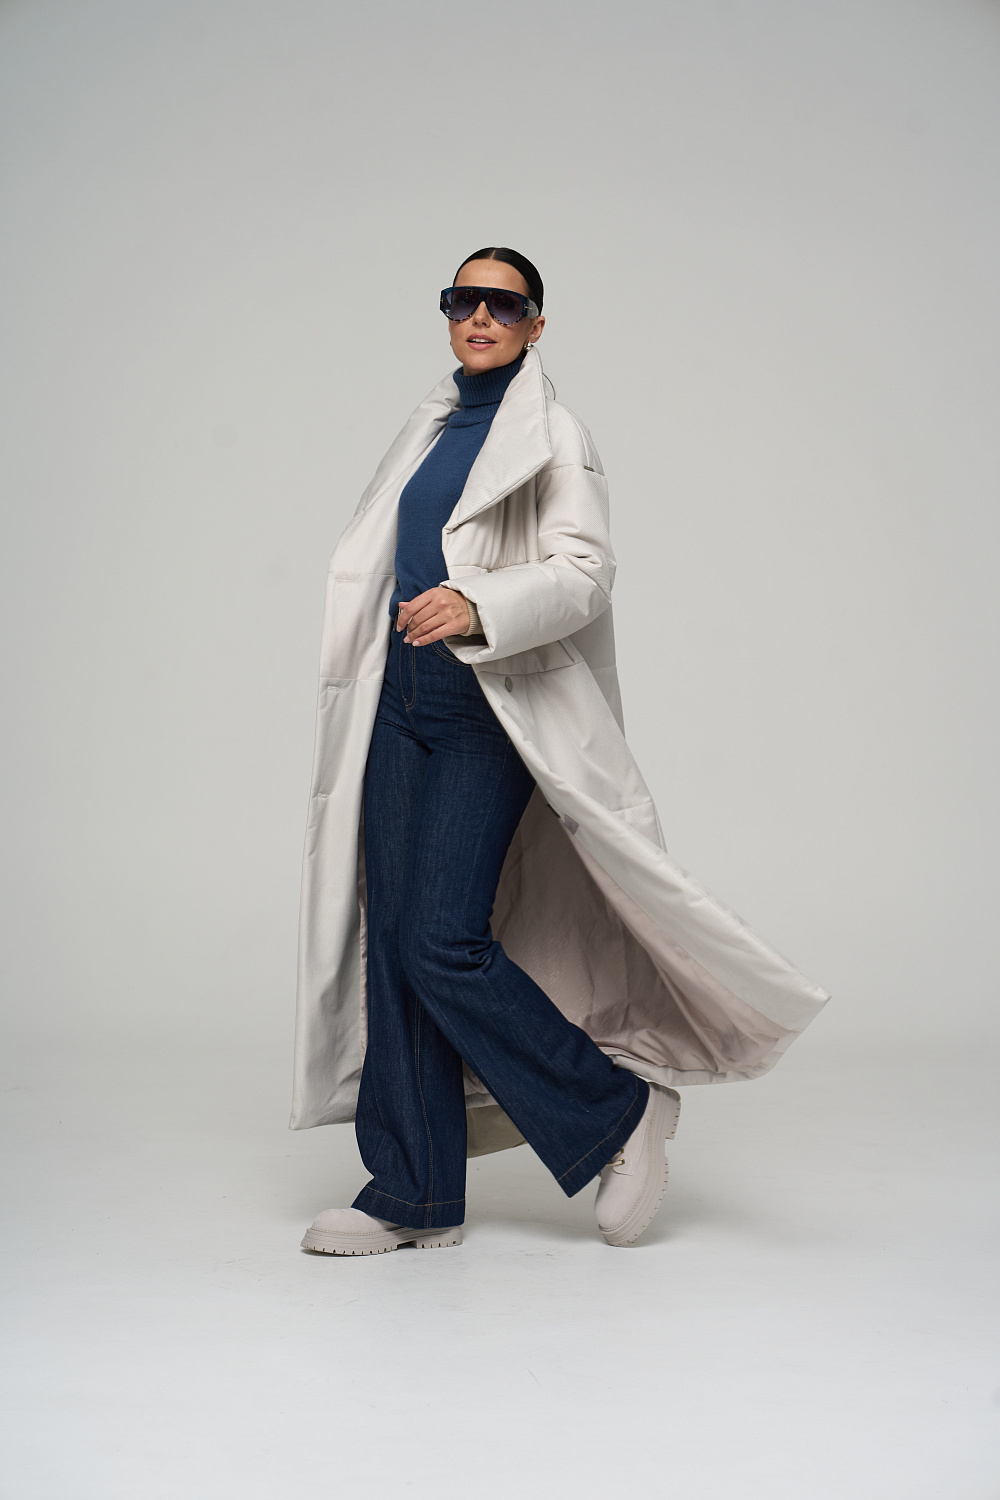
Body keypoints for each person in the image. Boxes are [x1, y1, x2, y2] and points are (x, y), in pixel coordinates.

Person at [292, 247, 830, 1256]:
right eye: (463, 299)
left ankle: (617, 1110)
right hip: (399, 704)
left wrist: (478, 603)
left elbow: (584, 573)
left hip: (489, 708)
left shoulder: (554, 434)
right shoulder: (430, 426)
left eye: (504, 305)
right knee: (396, 944)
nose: (480, 316)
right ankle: (413, 1192)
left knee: (442, 939)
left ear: (536, 325)